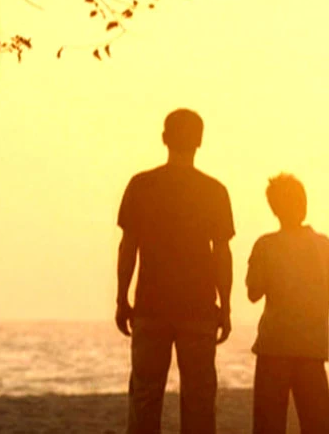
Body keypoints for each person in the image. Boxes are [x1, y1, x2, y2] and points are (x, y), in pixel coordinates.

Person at [115, 108, 235, 434]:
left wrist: (121, 298)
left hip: (151, 305)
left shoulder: (141, 185)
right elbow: (222, 253)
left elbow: (129, 247)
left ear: (165, 138)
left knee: (145, 397)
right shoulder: (214, 191)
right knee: (198, 399)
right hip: (197, 308)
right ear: (199, 141)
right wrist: (225, 305)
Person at [246, 173, 329, 434]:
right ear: (304, 203)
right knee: (317, 425)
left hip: (274, 347)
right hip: (311, 347)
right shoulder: (323, 246)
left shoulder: (266, 245)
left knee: (268, 425)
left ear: (275, 209)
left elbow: (253, 292)